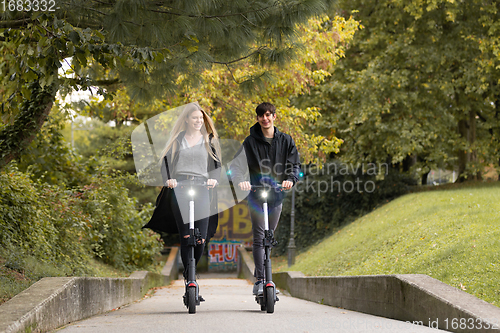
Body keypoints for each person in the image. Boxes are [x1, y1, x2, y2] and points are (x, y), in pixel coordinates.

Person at [143, 102, 221, 285]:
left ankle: (190, 274)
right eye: (195, 118)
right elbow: (166, 163)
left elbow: (216, 166)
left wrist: (214, 179)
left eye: (201, 118)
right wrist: (168, 179)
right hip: (181, 188)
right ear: (186, 119)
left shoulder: (208, 140)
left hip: (202, 188)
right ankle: (190, 279)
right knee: (187, 236)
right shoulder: (177, 140)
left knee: (200, 238)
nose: (198, 121)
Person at [229, 102, 300, 295]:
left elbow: (295, 165)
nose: (265, 118)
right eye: (261, 116)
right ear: (258, 118)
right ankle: (260, 280)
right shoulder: (250, 142)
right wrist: (241, 181)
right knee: (260, 237)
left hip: (276, 194)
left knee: (269, 236)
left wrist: (290, 179)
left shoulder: (286, 140)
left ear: (274, 117)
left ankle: (265, 277)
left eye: (268, 115)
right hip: (256, 194)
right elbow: (235, 167)